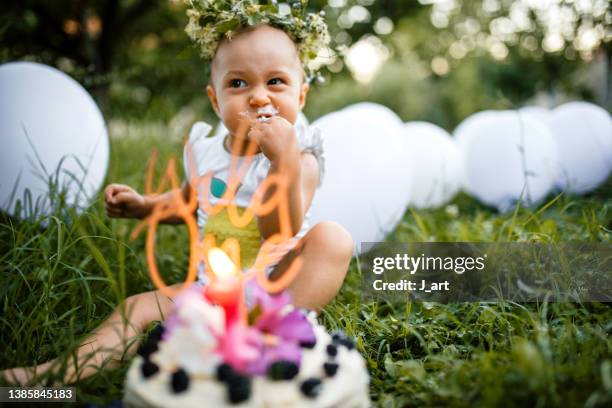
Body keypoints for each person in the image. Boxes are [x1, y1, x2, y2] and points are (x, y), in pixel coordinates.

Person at [3, 1, 353, 385]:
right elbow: (188, 202)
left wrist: (282, 161)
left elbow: (279, 232)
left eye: (275, 82)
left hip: (278, 288)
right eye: (238, 83)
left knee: (332, 239)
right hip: (212, 293)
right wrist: (145, 206)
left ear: (300, 96)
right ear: (215, 100)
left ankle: (272, 337)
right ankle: (55, 376)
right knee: (134, 307)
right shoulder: (205, 153)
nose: (258, 97)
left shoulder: (301, 158)